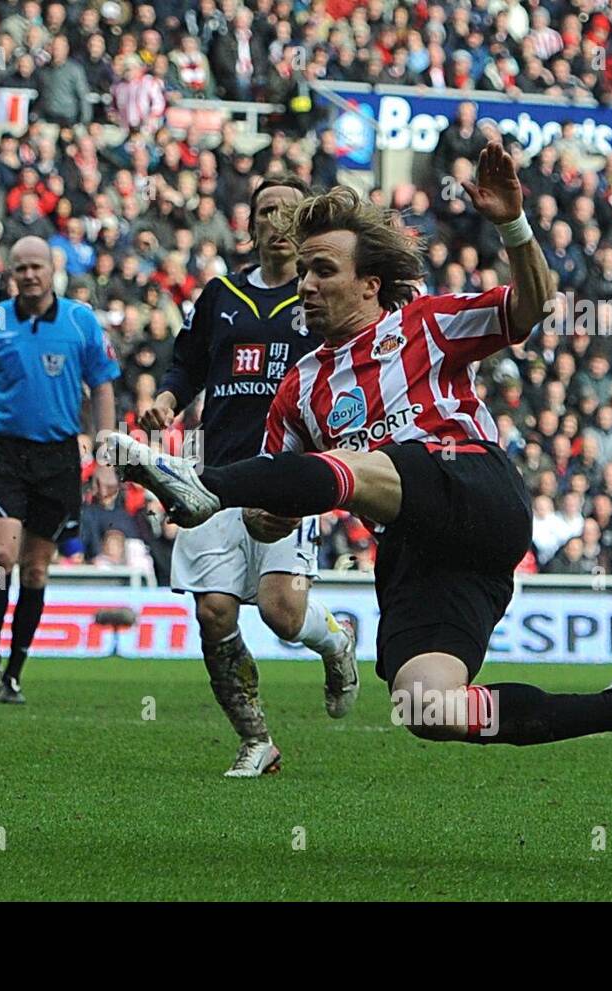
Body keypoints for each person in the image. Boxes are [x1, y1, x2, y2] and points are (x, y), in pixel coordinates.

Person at [113, 154, 612, 754]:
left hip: (471, 486)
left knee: (364, 463)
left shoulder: (424, 325)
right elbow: (274, 501)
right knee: (426, 704)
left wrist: (514, 226)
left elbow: (529, 310)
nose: (307, 286)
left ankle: (203, 481)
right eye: (302, 273)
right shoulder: (298, 388)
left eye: (323, 270)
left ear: (370, 284)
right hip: (417, 551)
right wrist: (266, 515)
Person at [138, 174, 358, 778]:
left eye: (288, 209)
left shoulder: (321, 299)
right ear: (252, 222)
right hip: (218, 477)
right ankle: (256, 739)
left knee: (282, 615)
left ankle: (334, 642)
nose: (275, 219)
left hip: (286, 472)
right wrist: (166, 400)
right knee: (213, 611)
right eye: (265, 210)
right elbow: (186, 364)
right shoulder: (220, 296)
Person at [0, 235, 120, 704]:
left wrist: (106, 457)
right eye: (20, 267)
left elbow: (103, 388)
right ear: (10, 273)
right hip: (3, 452)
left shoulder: (80, 322)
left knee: (35, 569)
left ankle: (15, 672)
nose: (29, 274)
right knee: (1, 557)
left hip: (58, 456)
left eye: (37, 266)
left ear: (53, 270)